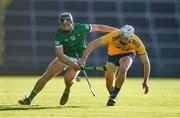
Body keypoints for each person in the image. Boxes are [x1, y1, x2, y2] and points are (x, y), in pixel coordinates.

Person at [18, 12, 117, 105]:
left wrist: (116, 32)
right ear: (59, 24)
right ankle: (29, 99)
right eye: (63, 25)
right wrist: (70, 64)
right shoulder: (59, 35)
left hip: (79, 58)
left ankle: (67, 89)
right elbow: (60, 55)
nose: (66, 27)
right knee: (47, 75)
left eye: (68, 25)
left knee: (68, 78)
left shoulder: (81, 27)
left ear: (72, 22)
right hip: (65, 57)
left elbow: (99, 27)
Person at [79, 25, 151, 106]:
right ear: (120, 34)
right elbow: (93, 44)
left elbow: (146, 63)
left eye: (126, 38)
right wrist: (83, 60)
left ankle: (114, 95)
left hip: (127, 54)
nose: (123, 39)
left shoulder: (137, 43)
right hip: (112, 56)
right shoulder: (114, 35)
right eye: (122, 36)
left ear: (131, 37)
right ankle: (112, 95)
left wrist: (146, 81)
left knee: (123, 68)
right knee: (109, 84)